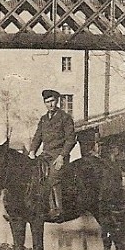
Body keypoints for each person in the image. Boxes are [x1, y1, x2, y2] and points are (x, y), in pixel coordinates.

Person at [29, 89, 76, 220]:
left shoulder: (65, 118)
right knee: (33, 174)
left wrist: (62, 156)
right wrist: (32, 152)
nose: (50, 104)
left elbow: (70, 139)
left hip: (59, 155)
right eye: (47, 102)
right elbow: (37, 137)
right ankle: (33, 206)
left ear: (57, 101)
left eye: (52, 101)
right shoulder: (43, 119)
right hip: (45, 155)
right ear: (44, 103)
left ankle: (57, 209)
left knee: (53, 176)